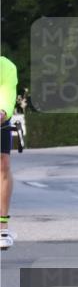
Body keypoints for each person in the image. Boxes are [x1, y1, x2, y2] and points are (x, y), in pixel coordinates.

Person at [1, 54, 17, 250]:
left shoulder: (6, 66)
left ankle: (2, 225)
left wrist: (2, 112)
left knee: (3, 163)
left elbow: (6, 96)